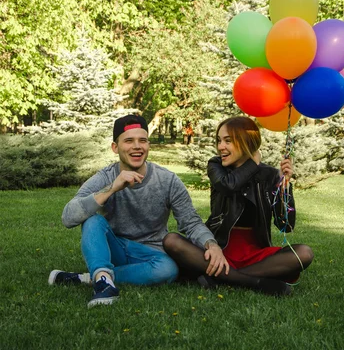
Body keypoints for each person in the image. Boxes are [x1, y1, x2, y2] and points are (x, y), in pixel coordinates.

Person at [48, 114, 222, 308]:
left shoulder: (168, 180)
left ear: (148, 145)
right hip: (115, 249)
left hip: (151, 254)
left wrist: (210, 243)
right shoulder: (105, 177)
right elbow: (68, 217)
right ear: (115, 147)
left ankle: (97, 277)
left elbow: (190, 221)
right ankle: (104, 284)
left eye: (143, 140)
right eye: (129, 141)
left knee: (168, 270)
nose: (137, 146)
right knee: (92, 221)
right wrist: (112, 188)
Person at [163, 116, 314, 296]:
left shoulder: (269, 175)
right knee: (171, 240)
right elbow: (228, 186)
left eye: (228, 141)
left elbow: (285, 225)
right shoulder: (216, 166)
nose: (220, 147)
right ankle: (255, 282)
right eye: (219, 141)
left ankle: (222, 278)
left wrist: (284, 187)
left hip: (255, 252)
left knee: (304, 253)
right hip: (219, 248)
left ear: (246, 142)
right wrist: (253, 162)